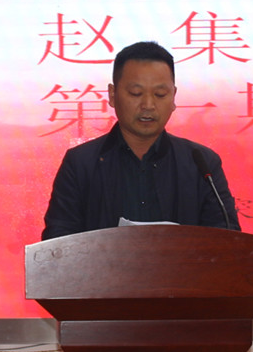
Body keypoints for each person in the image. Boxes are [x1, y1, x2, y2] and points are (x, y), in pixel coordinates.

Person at [41, 41, 241, 240]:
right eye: (136, 93)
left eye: (160, 94)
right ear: (112, 95)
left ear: (173, 97)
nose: (148, 105)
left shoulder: (201, 164)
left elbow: (227, 240)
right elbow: (56, 242)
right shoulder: (81, 163)